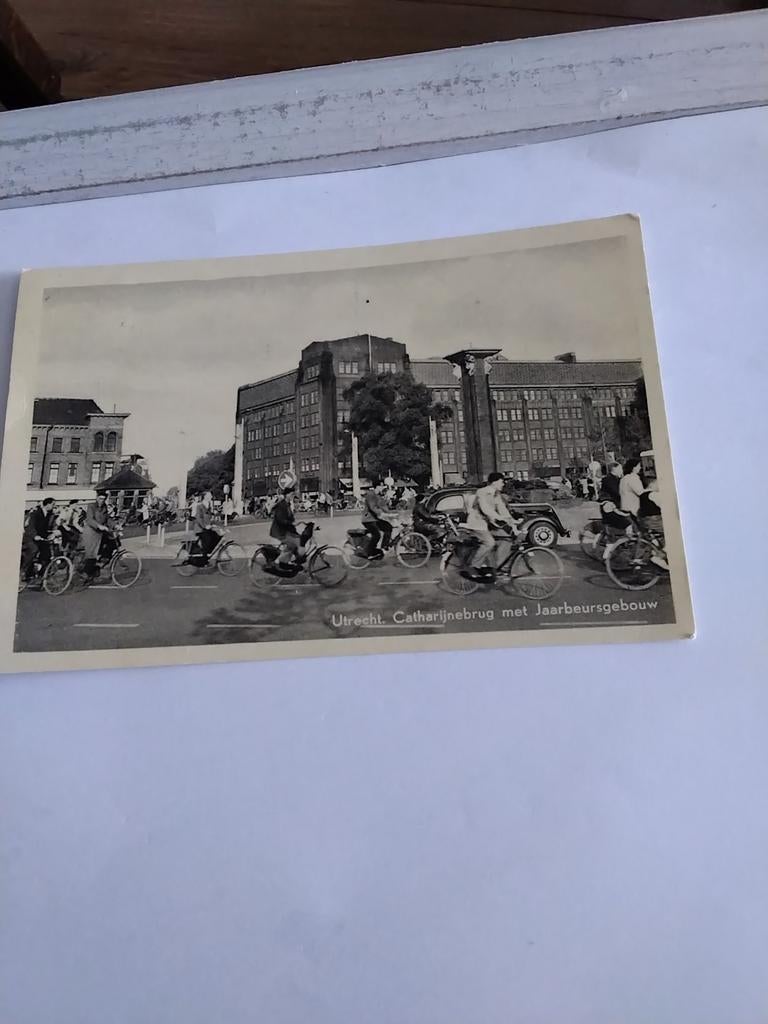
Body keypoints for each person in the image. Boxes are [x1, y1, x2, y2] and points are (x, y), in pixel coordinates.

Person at [464, 472, 522, 580]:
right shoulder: (482, 492)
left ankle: (499, 568)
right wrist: (498, 517)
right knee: (489, 542)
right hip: (477, 523)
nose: (503, 484)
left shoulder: (496, 494)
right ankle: (473, 567)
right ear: (495, 482)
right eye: (501, 482)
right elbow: (485, 508)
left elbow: (502, 509)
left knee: (507, 539)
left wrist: (512, 521)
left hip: (488, 524)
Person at [268, 473, 305, 570]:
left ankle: (290, 562)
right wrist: (291, 523)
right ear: (287, 495)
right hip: (279, 531)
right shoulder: (282, 504)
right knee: (292, 544)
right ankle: (277, 562)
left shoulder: (287, 504)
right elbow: (281, 520)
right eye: (291, 494)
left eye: (293, 495)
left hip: (285, 530)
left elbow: (289, 519)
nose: (292, 496)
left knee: (297, 540)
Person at [599, 462, 632, 562]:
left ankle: (621, 545)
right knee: (628, 524)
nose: (622, 471)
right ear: (615, 469)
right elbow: (617, 492)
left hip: (612, 508)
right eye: (620, 468)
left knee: (624, 525)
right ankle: (625, 545)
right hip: (610, 509)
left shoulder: (614, 479)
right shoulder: (609, 479)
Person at [21, 497, 56, 580]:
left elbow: (46, 528)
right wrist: (34, 535)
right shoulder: (35, 513)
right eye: (53, 504)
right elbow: (30, 526)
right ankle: (23, 570)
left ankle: (41, 574)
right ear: (47, 504)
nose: (54, 506)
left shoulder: (49, 515)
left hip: (41, 538)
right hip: (30, 537)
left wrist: (52, 534)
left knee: (47, 554)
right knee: (34, 549)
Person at [81, 493, 114, 580]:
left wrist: (115, 525)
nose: (102, 501)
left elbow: (107, 519)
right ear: (96, 498)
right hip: (91, 532)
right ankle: (86, 573)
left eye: (103, 499)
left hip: (100, 532)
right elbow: (90, 519)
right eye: (100, 498)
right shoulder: (91, 506)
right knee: (92, 553)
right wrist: (99, 526)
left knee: (112, 542)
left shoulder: (105, 507)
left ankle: (99, 564)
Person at [362, 481, 395, 559]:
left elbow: (383, 507)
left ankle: (384, 548)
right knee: (377, 535)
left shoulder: (378, 496)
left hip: (375, 519)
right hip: (368, 520)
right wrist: (381, 513)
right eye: (383, 487)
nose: (384, 489)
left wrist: (393, 514)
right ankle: (370, 552)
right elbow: (372, 507)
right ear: (377, 487)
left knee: (388, 527)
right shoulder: (371, 494)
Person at [193, 491, 221, 563]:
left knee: (217, 536)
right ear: (205, 496)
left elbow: (209, 518)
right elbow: (199, 518)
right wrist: (205, 526)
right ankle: (203, 559)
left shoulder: (209, 506)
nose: (211, 497)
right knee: (207, 539)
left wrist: (213, 524)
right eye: (210, 495)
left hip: (206, 528)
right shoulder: (200, 506)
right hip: (200, 529)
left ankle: (207, 554)